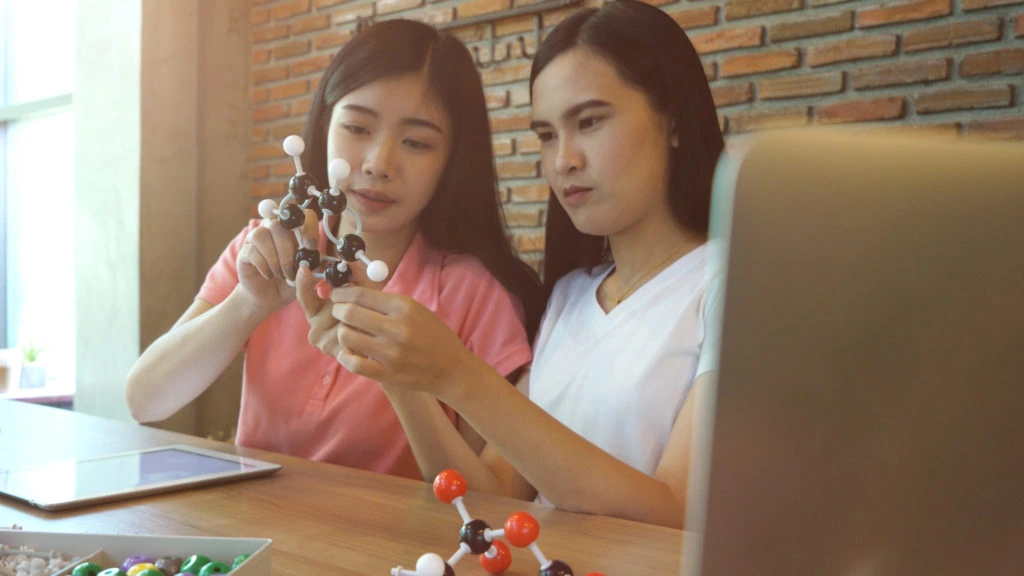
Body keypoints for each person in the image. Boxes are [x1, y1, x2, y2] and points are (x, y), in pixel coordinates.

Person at [296, 0, 724, 527]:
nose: (563, 159)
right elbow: (493, 500)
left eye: (589, 121)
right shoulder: (568, 296)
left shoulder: (733, 285)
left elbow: (677, 518)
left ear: (674, 120)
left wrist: (457, 373)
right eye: (546, 135)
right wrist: (398, 375)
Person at [124, 19, 544, 481]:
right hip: (256, 539)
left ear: (452, 159)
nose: (378, 163)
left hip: (386, 550)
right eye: (358, 128)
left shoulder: (477, 294)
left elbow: (488, 499)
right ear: (325, 126)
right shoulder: (264, 250)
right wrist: (247, 304)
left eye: (417, 142)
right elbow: (145, 401)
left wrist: (397, 376)